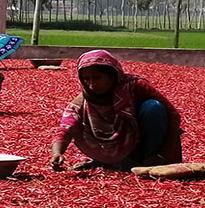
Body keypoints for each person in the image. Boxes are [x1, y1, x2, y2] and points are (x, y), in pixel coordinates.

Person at [50, 50, 183, 171]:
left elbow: (173, 115)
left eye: (97, 78)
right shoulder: (84, 100)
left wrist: (164, 153)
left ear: (112, 75)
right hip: (116, 152)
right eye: (86, 79)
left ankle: (150, 159)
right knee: (78, 121)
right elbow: (66, 127)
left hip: (143, 143)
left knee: (153, 107)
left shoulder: (134, 86)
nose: (92, 84)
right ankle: (116, 162)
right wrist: (57, 153)